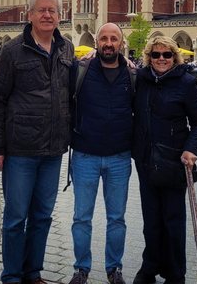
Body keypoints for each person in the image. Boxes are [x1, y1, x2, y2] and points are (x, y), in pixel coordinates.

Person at [0, 0, 74, 284]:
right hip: (19, 149)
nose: (47, 15)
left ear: (60, 16)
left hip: (53, 149)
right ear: (30, 15)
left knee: (42, 217)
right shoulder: (12, 50)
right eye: (41, 10)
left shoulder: (67, 49)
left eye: (53, 11)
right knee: (15, 218)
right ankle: (11, 276)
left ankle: (32, 272)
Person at [131, 36, 197, 284]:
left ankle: (175, 273)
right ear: (148, 57)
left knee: (173, 220)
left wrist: (191, 150)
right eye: (156, 55)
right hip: (145, 159)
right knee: (151, 219)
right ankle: (149, 267)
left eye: (166, 55)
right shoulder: (140, 80)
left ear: (174, 57)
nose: (161, 59)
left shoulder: (185, 83)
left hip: (174, 161)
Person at [67, 23, 133, 284]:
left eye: (114, 39)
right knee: (81, 217)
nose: (108, 43)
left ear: (121, 44)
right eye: (104, 38)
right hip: (85, 155)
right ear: (97, 43)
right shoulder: (79, 70)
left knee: (116, 218)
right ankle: (81, 268)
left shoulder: (132, 74)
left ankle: (114, 268)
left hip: (119, 157)